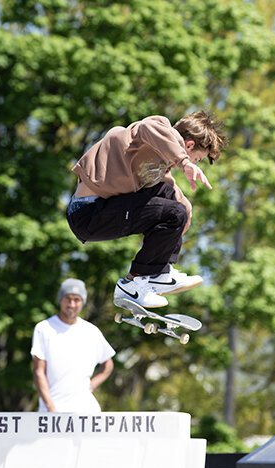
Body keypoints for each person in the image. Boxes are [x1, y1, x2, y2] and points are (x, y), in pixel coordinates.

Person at [66, 110, 227, 308]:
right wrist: (185, 162)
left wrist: (184, 201)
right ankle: (134, 282)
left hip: (104, 210)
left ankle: (161, 272)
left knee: (176, 202)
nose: (194, 163)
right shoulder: (156, 130)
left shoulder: (155, 159)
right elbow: (148, 128)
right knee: (176, 212)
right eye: (198, 159)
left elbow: (165, 182)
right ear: (189, 145)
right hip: (87, 214)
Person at [31, 278, 115, 413]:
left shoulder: (91, 331)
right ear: (60, 300)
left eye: (77, 299)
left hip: (85, 410)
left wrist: (90, 386)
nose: (71, 304)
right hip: (52, 412)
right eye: (67, 299)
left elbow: (108, 365)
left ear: (83, 302)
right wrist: (50, 407)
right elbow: (38, 371)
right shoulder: (44, 328)